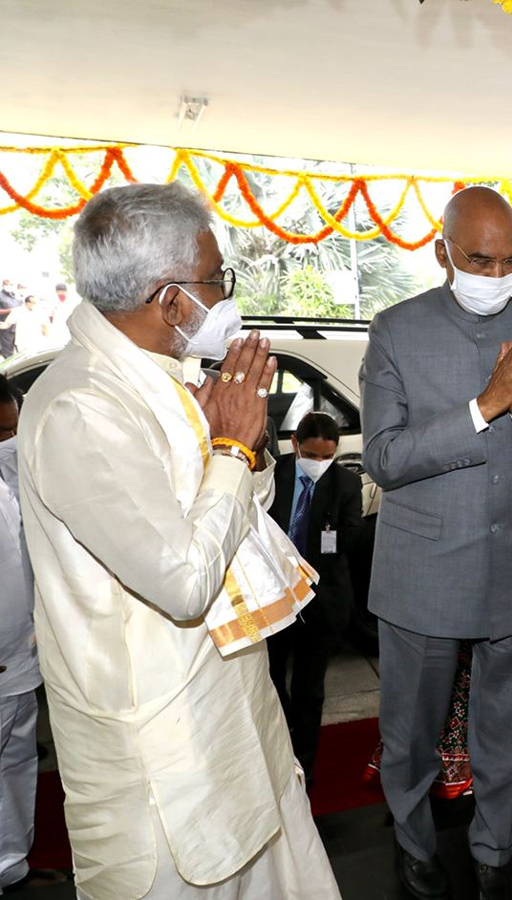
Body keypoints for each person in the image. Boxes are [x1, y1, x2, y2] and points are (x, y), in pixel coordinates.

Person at [18, 183, 340, 900]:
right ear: (169, 302)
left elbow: (240, 520)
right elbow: (184, 581)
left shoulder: (164, 378)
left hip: (236, 720)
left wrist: (243, 449)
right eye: (216, 279)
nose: (225, 296)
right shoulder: (81, 407)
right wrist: (229, 446)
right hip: (165, 764)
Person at [360, 186, 512, 900]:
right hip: (423, 569)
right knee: (411, 732)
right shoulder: (396, 330)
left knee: (505, 731)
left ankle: (495, 849)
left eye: (510, 260)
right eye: (480, 259)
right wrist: (482, 409)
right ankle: (414, 842)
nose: (496, 276)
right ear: (443, 254)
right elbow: (385, 459)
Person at [267, 410, 364, 788]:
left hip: (321, 604)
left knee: (310, 691)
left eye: (328, 457)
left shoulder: (345, 485)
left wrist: (346, 535)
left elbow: (353, 537)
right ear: (295, 445)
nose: (320, 464)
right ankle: (278, 745)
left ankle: (302, 769)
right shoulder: (273, 477)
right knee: (271, 680)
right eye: (312, 456)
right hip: (275, 599)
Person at [0, 375, 42, 892]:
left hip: (24, 654)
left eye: (12, 430)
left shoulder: (17, 468)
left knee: (16, 760)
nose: (7, 443)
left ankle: (12, 861)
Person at [0, 281, 18, 359]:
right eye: (7, 284)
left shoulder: (13, 295)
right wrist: (10, 310)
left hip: (15, 326)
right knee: (8, 352)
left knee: (17, 350)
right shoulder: (1, 296)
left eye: (11, 284)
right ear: (3, 285)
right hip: (5, 327)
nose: (9, 286)